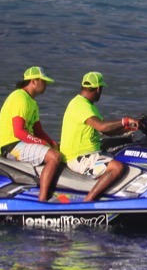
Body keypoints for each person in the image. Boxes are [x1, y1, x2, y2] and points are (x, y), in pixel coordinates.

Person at [59, 72, 139, 202]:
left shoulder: (88, 105)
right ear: (98, 89)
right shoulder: (80, 105)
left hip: (88, 154)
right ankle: (88, 201)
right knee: (117, 167)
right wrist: (124, 121)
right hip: (79, 156)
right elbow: (102, 126)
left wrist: (127, 129)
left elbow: (106, 131)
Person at [0, 66, 65, 202]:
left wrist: (52, 143)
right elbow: (19, 132)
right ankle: (42, 200)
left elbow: (38, 131)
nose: (45, 85)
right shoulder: (20, 98)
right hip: (12, 146)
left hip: (21, 143)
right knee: (54, 157)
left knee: (59, 152)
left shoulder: (32, 102)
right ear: (33, 81)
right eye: (43, 81)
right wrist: (43, 144)